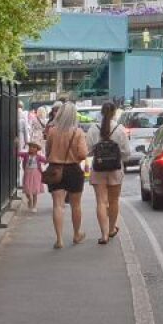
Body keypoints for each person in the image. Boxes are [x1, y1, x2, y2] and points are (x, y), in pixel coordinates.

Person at [44, 100, 88, 249]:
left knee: (58, 205)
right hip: (73, 170)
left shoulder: (52, 131)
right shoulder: (78, 132)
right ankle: (76, 234)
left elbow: (47, 151)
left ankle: (59, 239)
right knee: (76, 205)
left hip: (55, 169)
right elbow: (83, 154)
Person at [87, 101, 131, 244]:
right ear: (114, 112)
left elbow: (88, 150)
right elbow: (126, 153)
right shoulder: (120, 129)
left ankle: (104, 234)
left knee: (101, 202)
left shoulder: (93, 129)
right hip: (115, 170)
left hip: (98, 169)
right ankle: (112, 229)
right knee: (113, 201)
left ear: (101, 112)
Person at [19, 141, 46, 212]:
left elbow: (46, 160)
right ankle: (29, 199)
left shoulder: (38, 157)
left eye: (33, 147)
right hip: (27, 173)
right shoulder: (25, 155)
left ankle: (34, 206)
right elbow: (18, 154)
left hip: (36, 174)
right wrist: (16, 145)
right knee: (27, 189)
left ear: (37, 149)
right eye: (30, 146)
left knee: (34, 191)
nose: (31, 148)